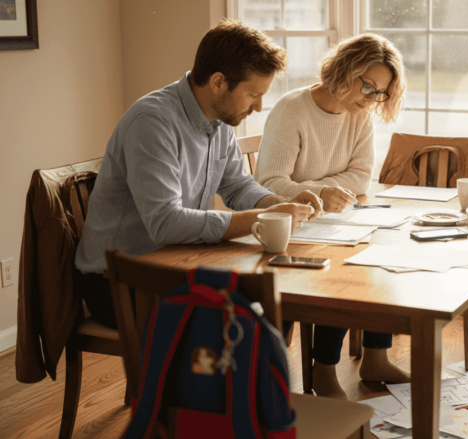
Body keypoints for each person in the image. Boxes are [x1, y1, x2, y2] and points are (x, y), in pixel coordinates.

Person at [74, 20, 323, 329]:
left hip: (175, 262)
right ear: (218, 82)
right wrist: (261, 219)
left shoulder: (219, 117)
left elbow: (236, 183)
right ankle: (223, 377)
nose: (258, 107)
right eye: (252, 95)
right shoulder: (152, 122)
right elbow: (165, 224)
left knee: (283, 299)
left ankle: (255, 377)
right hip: (119, 280)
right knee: (254, 317)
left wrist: (276, 204)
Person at [255, 34, 408, 399]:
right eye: (366, 86)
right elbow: (269, 182)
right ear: (343, 69)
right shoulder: (292, 110)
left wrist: (322, 189)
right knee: (336, 270)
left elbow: (360, 177)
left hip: (333, 222)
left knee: (380, 254)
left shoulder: (360, 117)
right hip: (293, 226)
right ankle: (323, 370)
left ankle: (376, 356)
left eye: (379, 93)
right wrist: (321, 191)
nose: (370, 99)